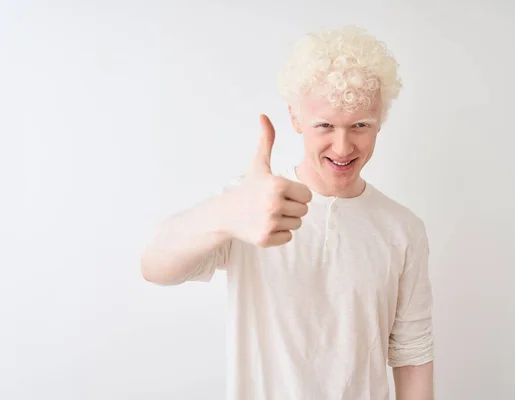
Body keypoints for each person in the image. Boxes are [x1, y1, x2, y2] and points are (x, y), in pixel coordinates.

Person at [141, 25, 434, 400]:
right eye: (325, 125)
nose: (343, 147)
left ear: (380, 120)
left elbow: (413, 354)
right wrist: (224, 213)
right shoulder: (253, 204)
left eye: (360, 125)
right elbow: (154, 267)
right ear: (295, 118)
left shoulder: (403, 229)